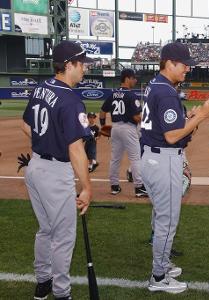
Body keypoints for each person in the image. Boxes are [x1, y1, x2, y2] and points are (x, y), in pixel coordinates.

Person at [140, 42, 209, 294]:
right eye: (184, 64)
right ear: (169, 63)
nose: (188, 69)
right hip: (163, 159)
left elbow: (169, 130)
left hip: (153, 158)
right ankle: (159, 276)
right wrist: (202, 116)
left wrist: (192, 119)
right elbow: (173, 136)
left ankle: (162, 264)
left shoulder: (157, 84)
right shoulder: (166, 91)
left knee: (161, 216)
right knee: (167, 220)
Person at [21, 40, 93, 300]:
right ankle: (62, 293)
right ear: (68, 65)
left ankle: (43, 282)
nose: (85, 68)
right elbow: (76, 150)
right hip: (54, 173)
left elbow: (26, 126)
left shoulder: (41, 88)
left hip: (35, 167)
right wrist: (87, 187)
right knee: (63, 237)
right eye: (81, 63)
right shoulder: (71, 100)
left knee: (45, 230)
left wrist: (45, 141)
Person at [99, 68, 147, 197]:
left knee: (115, 159)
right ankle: (139, 187)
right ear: (127, 79)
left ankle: (114, 186)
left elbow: (102, 111)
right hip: (128, 129)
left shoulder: (113, 94)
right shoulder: (132, 95)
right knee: (136, 158)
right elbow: (137, 117)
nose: (135, 80)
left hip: (115, 129)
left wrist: (103, 125)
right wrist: (145, 122)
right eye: (133, 78)